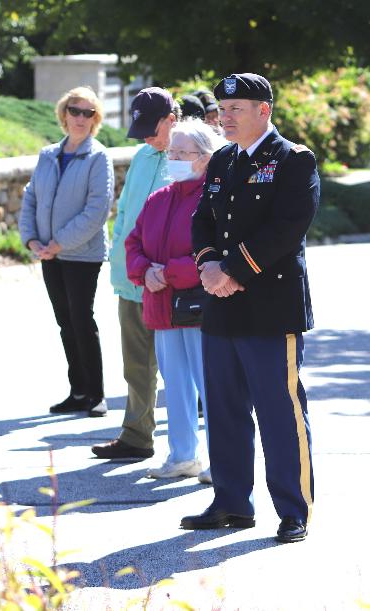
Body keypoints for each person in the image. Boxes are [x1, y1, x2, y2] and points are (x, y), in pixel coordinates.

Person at [182, 73, 318, 544]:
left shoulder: (294, 160)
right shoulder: (221, 160)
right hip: (221, 304)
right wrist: (207, 266)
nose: (226, 116)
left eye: (236, 107)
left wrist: (231, 270)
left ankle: (293, 509)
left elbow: (287, 229)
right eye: (222, 108)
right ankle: (231, 502)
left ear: (265, 110)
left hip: (269, 305)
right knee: (223, 409)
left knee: (279, 411)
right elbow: (201, 221)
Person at [125, 119, 225, 482]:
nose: (176, 158)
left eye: (184, 152)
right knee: (177, 386)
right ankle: (182, 456)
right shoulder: (159, 198)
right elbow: (132, 243)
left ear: (205, 157)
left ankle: (222, 459)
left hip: (200, 308)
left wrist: (165, 273)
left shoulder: (214, 198)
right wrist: (144, 272)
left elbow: (212, 253)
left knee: (211, 385)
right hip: (162, 308)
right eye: (173, 152)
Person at [91, 87, 177, 458]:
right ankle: (137, 435)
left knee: (180, 369)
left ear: (172, 120)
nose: (143, 136)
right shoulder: (143, 156)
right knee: (136, 367)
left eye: (150, 128)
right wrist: (119, 262)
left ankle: (189, 448)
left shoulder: (191, 157)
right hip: (132, 282)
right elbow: (124, 212)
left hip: (169, 284)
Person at [19, 86, 113, 418]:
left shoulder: (99, 156)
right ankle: (78, 391)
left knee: (82, 320)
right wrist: (32, 240)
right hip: (49, 254)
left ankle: (96, 394)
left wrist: (58, 242)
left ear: (95, 119)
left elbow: (97, 209)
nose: (81, 118)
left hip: (81, 255)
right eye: (75, 111)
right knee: (65, 322)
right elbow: (30, 197)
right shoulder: (48, 155)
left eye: (89, 113)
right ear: (64, 113)